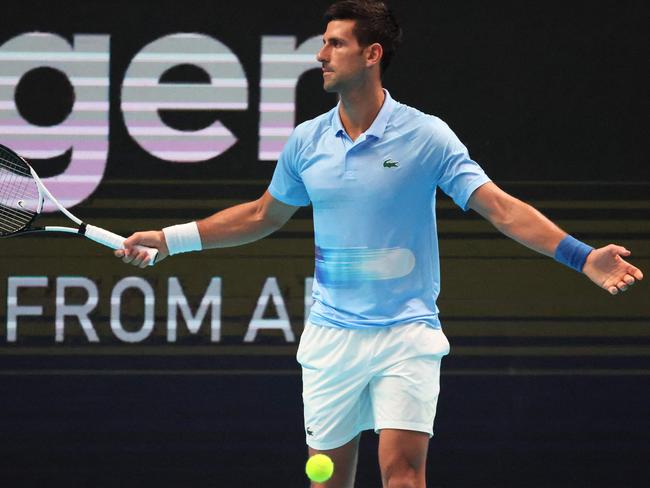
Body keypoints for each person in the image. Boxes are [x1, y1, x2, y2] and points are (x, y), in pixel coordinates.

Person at [115, 1, 644, 486]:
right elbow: (260, 215)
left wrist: (582, 256)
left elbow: (500, 207)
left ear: (372, 54)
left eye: (335, 44)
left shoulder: (426, 135)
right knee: (327, 478)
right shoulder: (306, 142)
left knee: (403, 472)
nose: (321, 55)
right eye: (322, 43)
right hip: (331, 337)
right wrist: (170, 240)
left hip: (406, 333)